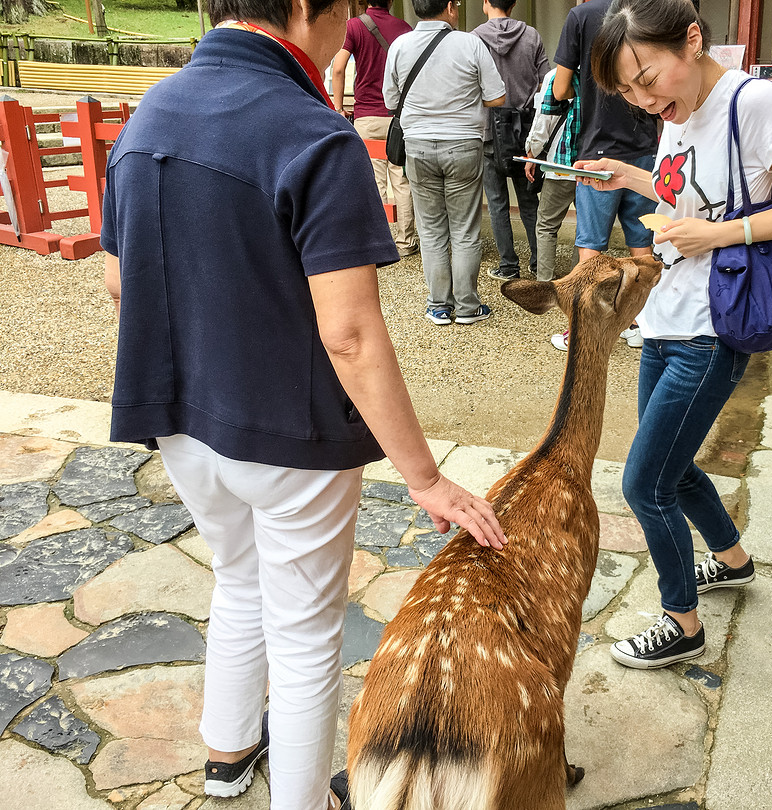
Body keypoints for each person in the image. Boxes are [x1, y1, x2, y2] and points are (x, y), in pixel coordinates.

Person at [99, 0, 506, 807]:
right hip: (290, 437)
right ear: (299, 9)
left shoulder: (152, 110)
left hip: (183, 422)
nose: (345, 26)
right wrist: (425, 478)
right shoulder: (311, 131)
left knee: (237, 577)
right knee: (306, 634)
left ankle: (226, 755)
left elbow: (120, 280)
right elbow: (350, 333)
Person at [579, 0, 772, 669]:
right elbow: (682, 204)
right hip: (668, 315)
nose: (642, 100)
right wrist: (632, 177)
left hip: (716, 324)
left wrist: (719, 234)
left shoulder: (750, 104)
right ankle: (732, 559)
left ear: (691, 41)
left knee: (646, 484)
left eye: (646, 77)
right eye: (626, 92)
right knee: (672, 463)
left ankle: (683, 626)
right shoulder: (675, 115)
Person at [384, 0, 506, 326]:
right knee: (465, 230)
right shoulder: (470, 43)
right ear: (451, 7)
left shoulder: (400, 46)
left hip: (418, 146)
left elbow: (390, 101)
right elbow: (497, 97)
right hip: (464, 145)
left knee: (432, 229)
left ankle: (439, 306)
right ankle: (467, 307)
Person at [549, 0, 657, 352]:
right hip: (643, 147)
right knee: (642, 244)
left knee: (590, 248)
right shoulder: (645, 10)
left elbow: (559, 89)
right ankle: (641, 324)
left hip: (596, 151)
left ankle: (585, 329)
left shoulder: (581, 16)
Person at [332, 0, 418, 256]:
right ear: (391, 1)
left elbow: (338, 68)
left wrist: (338, 107)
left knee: (373, 181)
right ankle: (406, 242)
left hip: (366, 118)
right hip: (397, 119)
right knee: (401, 181)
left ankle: (378, 245)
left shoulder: (355, 26)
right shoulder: (404, 28)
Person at [471, 0, 548, 281]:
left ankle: (508, 266)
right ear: (514, 3)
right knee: (529, 202)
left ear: (486, 3)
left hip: (489, 132)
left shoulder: (475, 39)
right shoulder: (532, 36)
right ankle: (540, 262)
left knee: (497, 202)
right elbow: (545, 84)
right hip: (524, 132)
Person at [523, 67, 581, 283]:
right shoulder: (605, 70)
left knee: (547, 224)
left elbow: (544, 120)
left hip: (563, 164)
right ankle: (578, 282)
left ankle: (544, 282)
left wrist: (532, 153)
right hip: (596, 166)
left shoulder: (557, 75)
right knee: (586, 227)